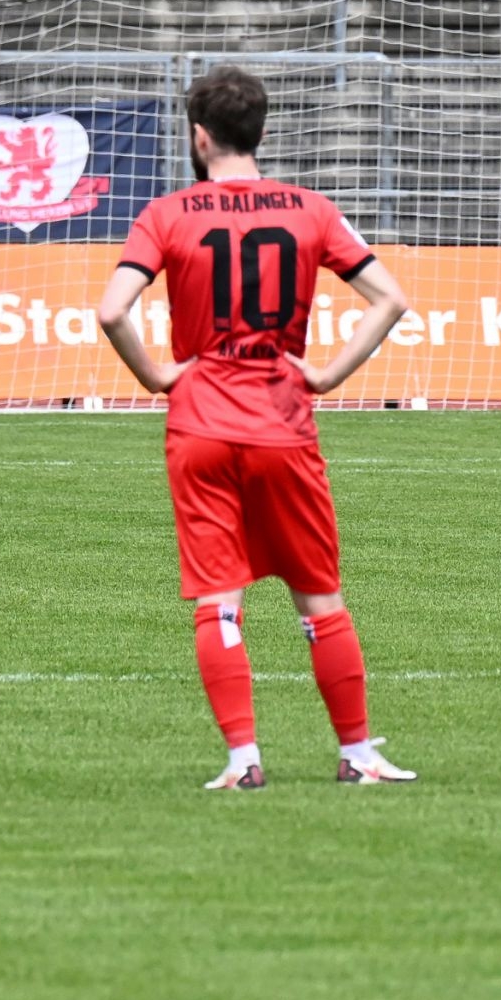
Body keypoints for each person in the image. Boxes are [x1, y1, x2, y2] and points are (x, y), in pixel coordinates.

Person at [97, 64, 417, 790]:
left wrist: (155, 375)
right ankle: (357, 754)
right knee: (319, 596)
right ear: (262, 132)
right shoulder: (309, 209)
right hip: (282, 423)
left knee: (221, 597)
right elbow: (389, 298)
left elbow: (113, 310)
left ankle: (244, 761)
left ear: (199, 137)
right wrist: (330, 374)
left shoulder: (167, 214)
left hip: (201, 423)